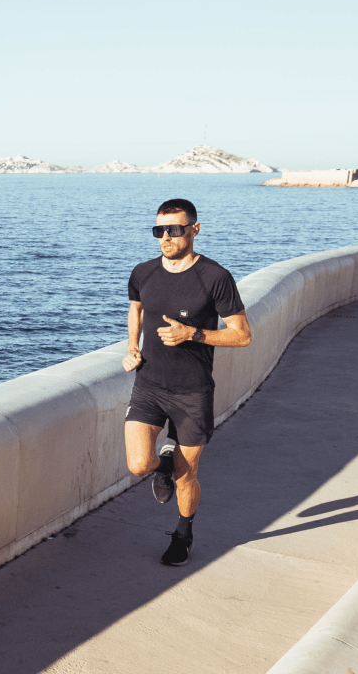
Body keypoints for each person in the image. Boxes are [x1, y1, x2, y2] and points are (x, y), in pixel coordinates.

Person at [122, 198, 252, 566]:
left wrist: (192, 334)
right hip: (149, 384)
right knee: (137, 465)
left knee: (186, 477)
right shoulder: (143, 272)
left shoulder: (214, 277)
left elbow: (241, 335)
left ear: (194, 229)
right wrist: (132, 346)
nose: (165, 237)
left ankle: (183, 533)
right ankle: (162, 462)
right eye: (159, 230)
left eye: (174, 230)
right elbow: (136, 308)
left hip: (192, 392)